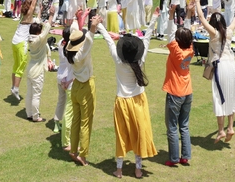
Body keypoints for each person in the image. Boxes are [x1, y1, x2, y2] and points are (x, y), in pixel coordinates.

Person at [100, 10, 159, 179]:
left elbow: (108, 41)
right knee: (139, 133)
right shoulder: (140, 60)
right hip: (139, 101)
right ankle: (138, 169)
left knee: (122, 134)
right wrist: (154, 17)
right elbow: (147, 37)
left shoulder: (118, 60)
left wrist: (99, 26)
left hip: (122, 101)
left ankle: (119, 169)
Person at [193, 0, 235, 143]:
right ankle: (230, 127)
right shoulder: (229, 31)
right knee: (231, 95)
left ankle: (222, 130)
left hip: (221, 66)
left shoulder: (213, 33)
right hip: (232, 66)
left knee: (219, 97)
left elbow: (201, 18)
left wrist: (197, 0)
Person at [66, 14, 102, 167]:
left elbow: (81, 37)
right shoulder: (81, 54)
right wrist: (93, 26)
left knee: (76, 120)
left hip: (75, 88)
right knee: (85, 122)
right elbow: (88, 40)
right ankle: (83, 154)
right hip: (85, 86)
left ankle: (73, 150)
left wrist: (81, 17)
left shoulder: (70, 54)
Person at [162, 3, 194, 167]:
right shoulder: (190, 48)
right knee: (184, 126)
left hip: (175, 91)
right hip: (187, 90)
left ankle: (174, 158)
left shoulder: (175, 49)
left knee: (172, 127)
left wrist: (170, 14)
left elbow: (169, 34)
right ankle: (185, 156)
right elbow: (187, 32)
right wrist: (188, 13)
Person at [10, 0, 38, 101]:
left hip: (15, 40)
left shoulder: (23, 10)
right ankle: (16, 88)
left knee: (15, 65)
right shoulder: (30, 13)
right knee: (21, 67)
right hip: (21, 42)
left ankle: (13, 86)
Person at [25, 11, 53, 120]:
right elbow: (47, 28)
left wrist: (40, 12)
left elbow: (40, 26)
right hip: (37, 70)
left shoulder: (30, 38)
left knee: (29, 94)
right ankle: (36, 116)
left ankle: (29, 113)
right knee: (36, 95)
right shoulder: (39, 40)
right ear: (38, 32)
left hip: (30, 68)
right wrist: (51, 15)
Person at [53, 27, 75, 150]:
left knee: (61, 100)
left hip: (60, 76)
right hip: (66, 77)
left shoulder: (60, 42)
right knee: (68, 105)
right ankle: (66, 127)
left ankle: (56, 122)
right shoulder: (69, 48)